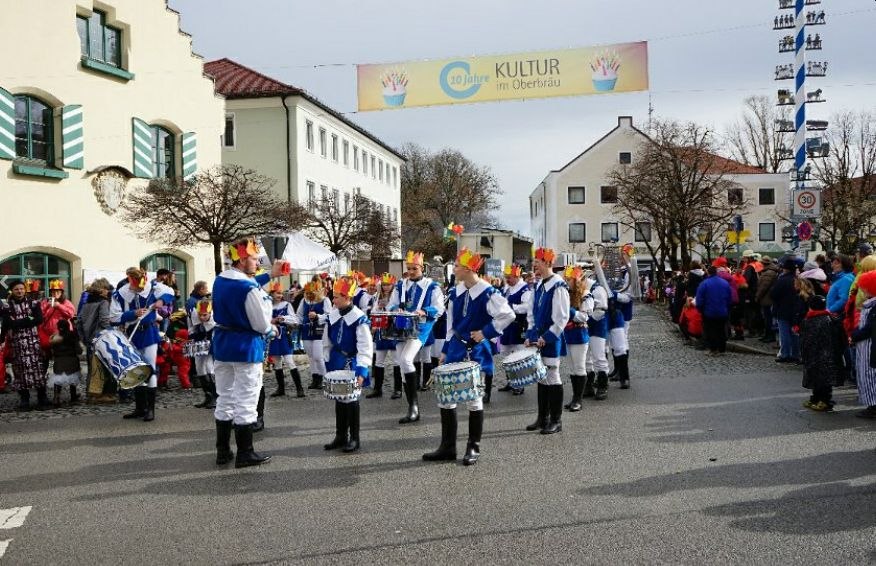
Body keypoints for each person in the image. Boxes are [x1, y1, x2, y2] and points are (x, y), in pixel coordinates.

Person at [425, 248, 514, 465]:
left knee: (474, 399)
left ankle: (473, 446)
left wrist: (486, 332)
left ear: (467, 269)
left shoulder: (488, 292)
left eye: (456, 266)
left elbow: (507, 315)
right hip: (455, 348)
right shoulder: (455, 292)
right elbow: (451, 324)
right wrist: (445, 350)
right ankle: (447, 447)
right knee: (447, 397)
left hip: (476, 351)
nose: (453, 269)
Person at [212, 237, 285, 468]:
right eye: (254, 259)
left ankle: (223, 451)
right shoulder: (249, 289)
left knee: (224, 397)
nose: (257, 263)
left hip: (223, 346)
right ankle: (245, 453)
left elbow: (245, 283)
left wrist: (270, 275)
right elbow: (261, 323)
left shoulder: (220, 280)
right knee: (246, 399)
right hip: (246, 347)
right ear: (242, 260)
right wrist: (272, 329)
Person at [388, 250, 445, 425]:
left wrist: (424, 311)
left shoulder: (432, 286)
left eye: (415, 268)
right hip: (401, 327)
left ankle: (414, 406)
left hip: (420, 327)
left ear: (422, 268)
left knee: (406, 359)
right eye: (409, 268)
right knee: (402, 363)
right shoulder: (400, 285)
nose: (411, 271)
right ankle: (412, 407)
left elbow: (439, 308)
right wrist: (395, 309)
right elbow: (391, 304)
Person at [111, 267, 173, 421]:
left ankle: (150, 409)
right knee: (136, 369)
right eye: (136, 287)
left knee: (149, 368)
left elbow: (169, 292)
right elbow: (113, 317)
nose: (139, 289)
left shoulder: (152, 288)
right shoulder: (121, 294)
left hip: (149, 333)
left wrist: (161, 301)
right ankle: (140, 408)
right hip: (132, 334)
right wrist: (133, 313)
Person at [322, 276, 373, 453]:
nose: (333, 300)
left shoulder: (359, 319)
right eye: (333, 296)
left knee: (351, 399)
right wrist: (327, 360)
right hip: (337, 359)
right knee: (339, 397)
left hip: (353, 362)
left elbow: (365, 346)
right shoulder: (333, 316)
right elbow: (327, 340)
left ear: (348, 298)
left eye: (336, 297)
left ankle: (355, 438)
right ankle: (340, 435)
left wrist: (362, 369)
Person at [524, 248, 570, 434]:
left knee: (552, 376)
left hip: (551, 339)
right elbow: (531, 313)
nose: (534, 265)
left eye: (538, 262)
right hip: (538, 338)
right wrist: (530, 335)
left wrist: (547, 337)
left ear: (548, 263)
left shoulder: (558, 286)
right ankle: (543, 418)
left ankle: (556, 420)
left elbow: (562, 317)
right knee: (541, 378)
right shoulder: (539, 285)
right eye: (534, 261)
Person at [1, 280, 48, 411]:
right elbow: (7, 323)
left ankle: (42, 397)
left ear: (25, 289)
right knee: (20, 372)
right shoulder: (6, 307)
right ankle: (24, 399)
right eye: (16, 289)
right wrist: (28, 319)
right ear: (12, 291)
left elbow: (38, 319)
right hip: (17, 344)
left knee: (38, 370)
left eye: (21, 288)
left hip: (34, 343)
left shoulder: (33, 304)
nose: (19, 291)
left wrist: (20, 321)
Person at [800, 295, 844, 412]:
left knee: (820, 379)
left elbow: (804, 340)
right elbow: (840, 337)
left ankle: (824, 401)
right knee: (823, 379)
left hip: (817, 354)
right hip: (828, 354)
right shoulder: (830, 319)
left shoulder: (808, 320)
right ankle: (817, 398)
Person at [77, 278, 114, 402]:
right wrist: (113, 334)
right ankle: (103, 395)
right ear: (102, 290)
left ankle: (91, 394)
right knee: (103, 368)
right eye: (107, 289)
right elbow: (104, 321)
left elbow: (79, 323)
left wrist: (84, 339)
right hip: (101, 340)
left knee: (92, 368)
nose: (108, 291)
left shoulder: (86, 304)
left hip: (89, 341)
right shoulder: (103, 303)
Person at [267, 281, 305, 398]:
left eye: (280, 293)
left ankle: (299, 388)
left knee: (289, 361)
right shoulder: (268, 306)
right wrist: (271, 321)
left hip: (284, 335)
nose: (279, 295)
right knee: (277, 362)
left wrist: (283, 319)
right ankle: (281, 388)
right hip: (273, 336)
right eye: (276, 293)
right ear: (271, 294)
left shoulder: (286, 305)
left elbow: (294, 319)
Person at [498, 264, 532, 395]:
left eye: (509, 277)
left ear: (517, 276)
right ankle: (510, 381)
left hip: (518, 325)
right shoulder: (507, 288)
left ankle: (520, 384)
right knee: (505, 354)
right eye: (506, 277)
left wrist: (512, 307)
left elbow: (527, 307)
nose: (507, 280)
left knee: (518, 355)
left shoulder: (525, 289)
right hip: (506, 326)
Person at [563, 265, 592, 412]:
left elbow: (585, 317)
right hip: (567, 334)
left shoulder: (586, 294)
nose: (566, 282)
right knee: (572, 368)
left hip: (579, 334)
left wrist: (570, 311)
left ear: (576, 280)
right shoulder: (566, 293)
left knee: (579, 367)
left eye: (569, 279)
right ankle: (574, 397)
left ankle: (578, 400)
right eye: (566, 279)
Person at [849, 269, 876, 419]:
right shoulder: (871, 304)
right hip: (865, 345)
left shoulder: (874, 306)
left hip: (870, 346)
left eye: (865, 287)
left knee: (870, 376)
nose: (863, 290)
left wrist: (854, 336)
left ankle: (873, 407)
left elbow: (868, 329)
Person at [366, 273, 397, 399]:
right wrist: (379, 307)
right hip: (381, 330)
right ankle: (377, 389)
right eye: (384, 285)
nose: (386, 287)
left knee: (396, 361)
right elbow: (373, 312)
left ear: (392, 285)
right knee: (379, 360)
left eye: (388, 285)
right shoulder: (378, 296)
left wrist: (388, 308)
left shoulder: (396, 295)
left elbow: (398, 310)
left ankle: (398, 389)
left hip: (393, 330)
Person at [297, 280, 332, 390]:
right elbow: (299, 315)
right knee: (311, 357)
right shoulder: (304, 301)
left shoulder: (325, 300)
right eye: (307, 293)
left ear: (317, 292)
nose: (309, 295)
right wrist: (295, 323)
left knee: (318, 356)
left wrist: (317, 316)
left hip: (319, 331)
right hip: (306, 331)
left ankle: (325, 379)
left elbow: (329, 315)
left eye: (311, 293)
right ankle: (315, 379)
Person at [771, 259, 805, 363]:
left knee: (784, 333)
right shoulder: (798, 279)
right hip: (796, 310)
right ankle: (795, 354)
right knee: (794, 333)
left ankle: (785, 354)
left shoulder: (782, 280)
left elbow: (774, 294)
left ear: (785, 269)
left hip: (783, 309)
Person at [695, 266, 733, 355]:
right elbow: (729, 298)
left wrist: (700, 309)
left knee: (710, 330)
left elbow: (699, 299)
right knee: (721, 330)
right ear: (716, 272)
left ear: (708, 273)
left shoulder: (704, 283)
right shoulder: (725, 283)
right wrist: (727, 308)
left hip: (708, 311)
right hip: (722, 311)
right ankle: (722, 349)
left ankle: (713, 349)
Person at [47, 319, 83, 406]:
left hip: (59, 361)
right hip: (72, 361)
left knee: (58, 379)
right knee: (73, 378)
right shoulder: (73, 336)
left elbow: (52, 351)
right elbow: (79, 351)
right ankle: (73, 396)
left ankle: (56, 397)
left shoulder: (55, 338)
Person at [189, 298, 217, 409]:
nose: (201, 317)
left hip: (212, 341)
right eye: (200, 315)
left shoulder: (215, 317)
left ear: (210, 313)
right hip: (199, 342)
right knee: (199, 367)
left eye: (205, 315)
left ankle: (215, 397)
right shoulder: (194, 314)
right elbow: (192, 328)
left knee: (209, 367)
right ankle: (208, 396)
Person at [756, 256, 780, 343]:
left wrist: (757, 296)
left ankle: (769, 336)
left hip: (767, 298)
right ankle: (767, 335)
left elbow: (763, 287)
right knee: (767, 318)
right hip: (768, 298)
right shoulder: (770, 271)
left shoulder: (768, 273)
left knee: (768, 318)